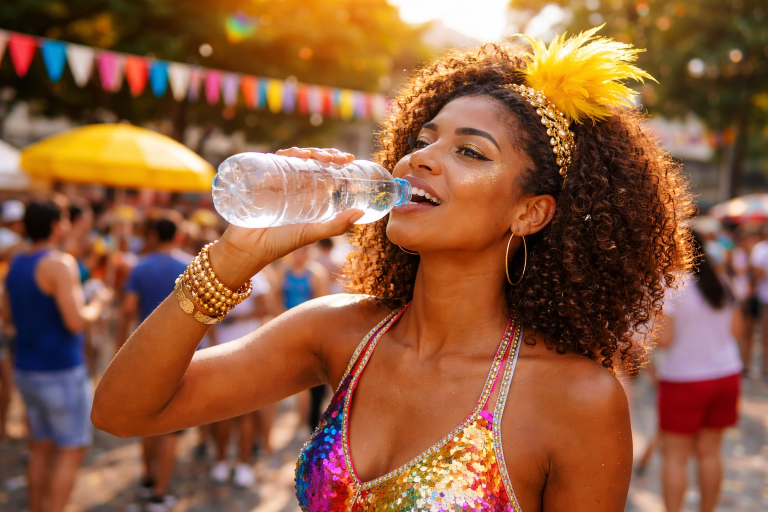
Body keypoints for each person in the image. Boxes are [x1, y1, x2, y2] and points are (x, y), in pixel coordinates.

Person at [93, 29, 693, 511]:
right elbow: (123, 412)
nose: (421, 158)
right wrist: (235, 257)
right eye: (425, 139)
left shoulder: (577, 399)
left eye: (469, 151)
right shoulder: (338, 333)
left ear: (530, 212)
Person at [5, 198, 111, 512]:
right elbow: (76, 320)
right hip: (59, 370)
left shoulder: (17, 261)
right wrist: (100, 303)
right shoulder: (58, 263)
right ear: (55, 225)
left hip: (27, 369)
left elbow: (7, 316)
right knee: (71, 449)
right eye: (64, 220)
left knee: (40, 446)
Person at [655, 232, 743, 512]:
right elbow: (737, 331)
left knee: (675, 457)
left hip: (684, 379)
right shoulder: (722, 280)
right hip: (727, 374)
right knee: (710, 453)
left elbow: (664, 339)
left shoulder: (671, 284)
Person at [120, 216, 192, 512]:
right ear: (177, 236)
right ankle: (160, 492)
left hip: (143, 353)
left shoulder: (140, 266)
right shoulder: (191, 266)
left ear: (152, 236)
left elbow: (127, 309)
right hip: (183, 354)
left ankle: (148, 478)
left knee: (147, 421)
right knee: (171, 427)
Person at [209, 268, 277, 487]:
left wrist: (236, 316)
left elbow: (266, 307)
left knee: (245, 414)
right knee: (221, 413)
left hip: (246, 353)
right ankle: (222, 461)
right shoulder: (214, 275)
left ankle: (243, 463)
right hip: (220, 354)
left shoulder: (255, 277)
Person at [279, 246, 331, 431]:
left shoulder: (316, 273)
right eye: (294, 252)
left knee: (312, 377)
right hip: (289, 331)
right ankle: (302, 421)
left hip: (311, 331)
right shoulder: (284, 272)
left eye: (301, 252)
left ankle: (311, 422)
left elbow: (323, 305)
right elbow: (278, 300)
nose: (296, 255)